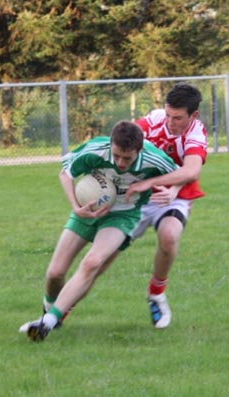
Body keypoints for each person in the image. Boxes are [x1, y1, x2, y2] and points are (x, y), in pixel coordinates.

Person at [19, 120, 178, 342]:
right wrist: (76, 206)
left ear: (139, 151)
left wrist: (173, 192)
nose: (121, 163)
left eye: (127, 158)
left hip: (122, 216)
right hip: (86, 211)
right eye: (117, 156)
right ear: (111, 145)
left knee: (92, 262)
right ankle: (48, 314)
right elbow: (66, 174)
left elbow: (180, 173)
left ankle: (47, 323)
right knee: (55, 274)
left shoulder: (153, 157)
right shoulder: (96, 149)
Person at [125, 83, 208, 329]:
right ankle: (59, 310)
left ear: (194, 115)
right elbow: (122, 138)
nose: (171, 122)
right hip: (136, 196)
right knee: (103, 254)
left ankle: (156, 294)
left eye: (178, 118)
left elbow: (192, 170)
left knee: (169, 236)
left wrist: (165, 186)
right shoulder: (153, 121)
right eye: (169, 115)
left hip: (175, 197)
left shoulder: (195, 132)